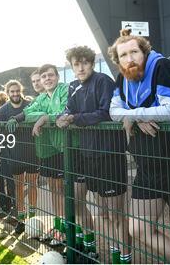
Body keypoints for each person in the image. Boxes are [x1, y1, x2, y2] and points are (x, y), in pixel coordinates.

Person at [108, 30, 170, 263]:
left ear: (144, 52)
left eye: (134, 52)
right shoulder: (122, 77)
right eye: (123, 55)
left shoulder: (163, 68)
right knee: (138, 228)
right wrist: (136, 116)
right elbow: (113, 112)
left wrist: (134, 114)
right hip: (147, 167)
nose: (129, 59)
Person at [56, 45, 130, 263]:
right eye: (76, 64)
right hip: (89, 155)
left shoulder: (103, 81)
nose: (80, 68)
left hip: (109, 155)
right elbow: (68, 109)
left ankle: (124, 259)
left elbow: (106, 112)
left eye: (84, 63)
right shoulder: (74, 87)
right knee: (104, 213)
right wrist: (62, 116)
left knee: (116, 215)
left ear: (92, 63)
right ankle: (114, 253)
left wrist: (74, 118)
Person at [6, 64, 69, 246]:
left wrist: (44, 118)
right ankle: (59, 228)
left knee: (69, 194)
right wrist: (19, 118)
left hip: (65, 149)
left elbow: (63, 112)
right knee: (55, 190)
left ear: (57, 76)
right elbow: (28, 112)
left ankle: (71, 232)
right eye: (43, 77)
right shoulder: (41, 98)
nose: (46, 79)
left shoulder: (65, 90)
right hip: (47, 150)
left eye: (50, 75)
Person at [0, 80, 38, 235]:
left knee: (33, 184)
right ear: (8, 92)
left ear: (20, 90)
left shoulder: (29, 105)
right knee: (18, 187)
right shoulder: (3, 110)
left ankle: (33, 219)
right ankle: (21, 221)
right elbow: (2, 133)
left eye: (17, 91)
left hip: (32, 151)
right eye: (12, 91)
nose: (15, 94)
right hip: (14, 153)